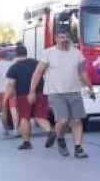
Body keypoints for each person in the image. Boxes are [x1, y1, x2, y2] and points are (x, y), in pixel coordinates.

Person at [33, 26, 95, 159]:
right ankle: (60, 137)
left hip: (74, 90)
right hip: (56, 92)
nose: (64, 40)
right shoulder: (48, 53)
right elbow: (38, 72)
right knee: (63, 120)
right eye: (61, 38)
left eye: (66, 37)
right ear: (56, 39)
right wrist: (32, 90)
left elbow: (82, 72)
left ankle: (78, 148)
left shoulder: (76, 53)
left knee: (77, 120)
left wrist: (90, 88)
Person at [4, 45, 54, 151]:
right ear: (26, 53)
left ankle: (26, 142)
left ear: (16, 54)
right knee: (40, 116)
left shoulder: (14, 68)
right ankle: (49, 131)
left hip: (23, 96)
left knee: (24, 118)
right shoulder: (36, 63)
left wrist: (5, 98)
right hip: (40, 93)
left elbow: (10, 85)